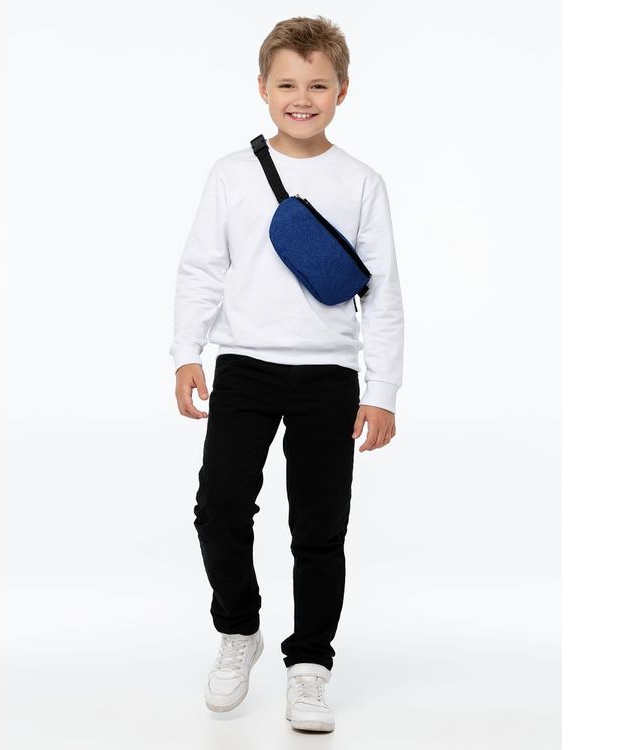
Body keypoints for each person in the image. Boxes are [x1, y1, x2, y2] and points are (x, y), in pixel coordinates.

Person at [169, 15, 404, 733]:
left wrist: (382, 391)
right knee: (219, 507)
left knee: (320, 527)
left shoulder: (361, 182)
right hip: (244, 366)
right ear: (263, 89)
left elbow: (383, 294)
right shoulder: (231, 173)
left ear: (343, 91)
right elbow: (202, 268)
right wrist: (187, 352)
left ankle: (309, 667)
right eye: (288, 85)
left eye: (318, 85)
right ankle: (239, 630)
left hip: (329, 374)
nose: (303, 99)